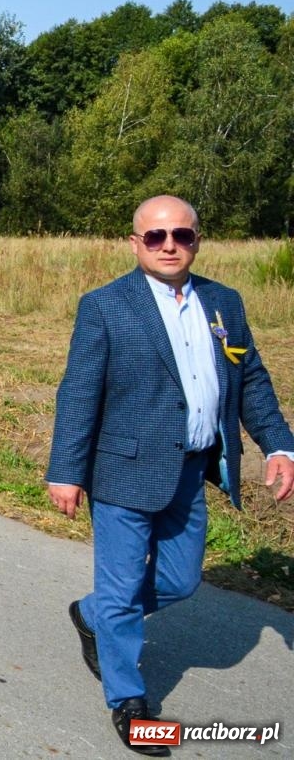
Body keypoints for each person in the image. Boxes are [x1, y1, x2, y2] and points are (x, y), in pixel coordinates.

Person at [46, 195, 294, 754]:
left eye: (181, 235)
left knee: (181, 581)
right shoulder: (106, 305)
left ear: (197, 239)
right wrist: (65, 471)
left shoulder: (223, 302)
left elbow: (250, 380)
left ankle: (94, 615)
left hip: (191, 469)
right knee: (122, 588)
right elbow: (79, 393)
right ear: (135, 243)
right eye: (155, 237)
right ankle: (129, 702)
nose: (169, 246)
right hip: (123, 470)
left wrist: (280, 446)